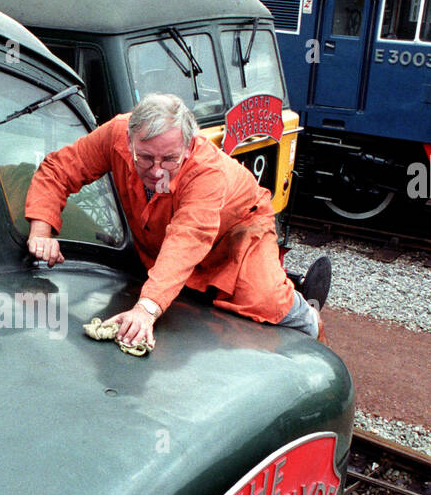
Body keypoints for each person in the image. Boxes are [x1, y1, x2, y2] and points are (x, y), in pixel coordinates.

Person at [24, 93, 328, 350]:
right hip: (168, 233)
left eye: (169, 159)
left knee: (265, 300)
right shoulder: (116, 132)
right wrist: (41, 230)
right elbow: (59, 169)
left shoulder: (207, 171)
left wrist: (146, 309)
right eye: (144, 158)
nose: (156, 171)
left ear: (188, 145)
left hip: (238, 228)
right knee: (177, 286)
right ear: (129, 140)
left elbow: (188, 238)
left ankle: (306, 312)